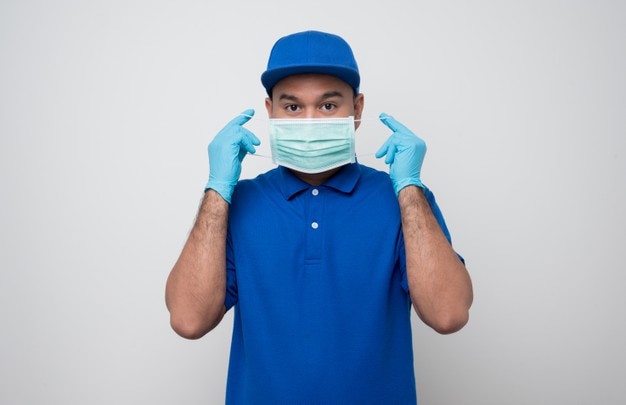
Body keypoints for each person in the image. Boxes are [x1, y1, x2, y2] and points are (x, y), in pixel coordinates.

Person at [165, 30, 473, 404]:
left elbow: (449, 314)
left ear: (357, 109)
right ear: (270, 112)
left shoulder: (404, 203)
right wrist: (217, 189)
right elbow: (188, 319)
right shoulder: (239, 203)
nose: (309, 120)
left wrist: (409, 187)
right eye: (292, 107)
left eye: (328, 106)